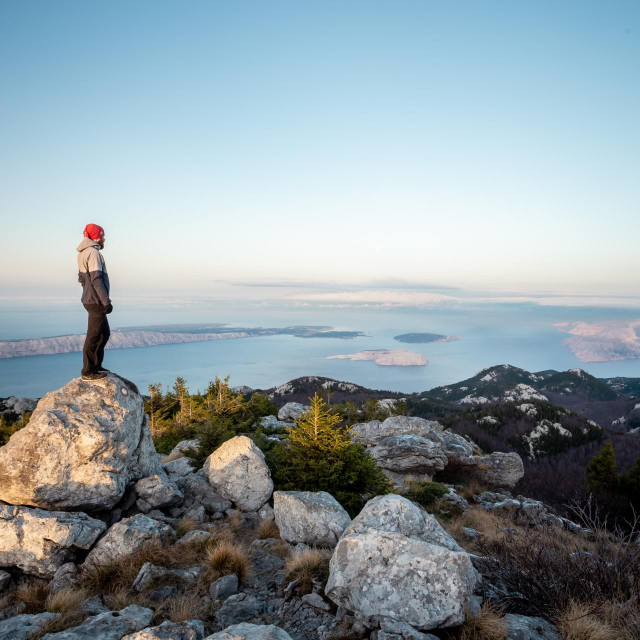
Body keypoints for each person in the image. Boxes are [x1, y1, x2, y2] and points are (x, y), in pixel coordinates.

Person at [77, 223, 112, 381]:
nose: (104, 238)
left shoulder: (83, 253)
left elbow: (81, 278)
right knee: (94, 335)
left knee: (104, 333)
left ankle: (96, 366)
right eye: (102, 235)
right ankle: (88, 371)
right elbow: (96, 279)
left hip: (90, 299)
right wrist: (106, 301)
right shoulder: (93, 253)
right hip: (96, 301)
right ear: (96, 237)